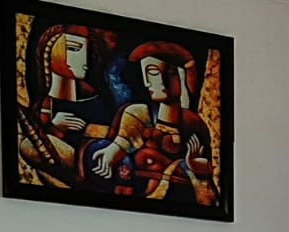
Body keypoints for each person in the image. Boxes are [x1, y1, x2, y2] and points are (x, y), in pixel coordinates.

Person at [81, 41, 217, 205]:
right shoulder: (138, 113)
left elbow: (210, 174)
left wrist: (197, 169)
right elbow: (123, 142)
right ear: (145, 79)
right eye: (153, 73)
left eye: (171, 73)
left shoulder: (193, 123)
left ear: (183, 77)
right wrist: (112, 151)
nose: (162, 80)